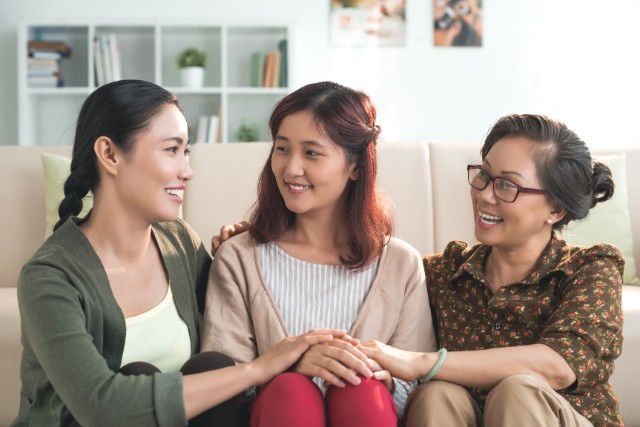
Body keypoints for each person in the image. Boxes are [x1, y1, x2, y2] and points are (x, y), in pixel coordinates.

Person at [12, 79, 348, 427]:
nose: (187, 171)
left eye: (185, 152)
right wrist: (259, 369)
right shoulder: (49, 276)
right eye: (172, 150)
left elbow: (237, 325)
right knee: (138, 375)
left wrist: (241, 256)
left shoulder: (180, 243)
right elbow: (102, 407)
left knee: (212, 367)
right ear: (110, 154)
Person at [359, 114, 624, 426]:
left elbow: (558, 365)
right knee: (436, 394)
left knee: (517, 390)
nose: (484, 195)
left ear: (555, 209)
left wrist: (420, 363)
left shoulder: (590, 270)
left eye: (507, 185)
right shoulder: (443, 273)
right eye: (484, 176)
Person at [201, 81, 435, 426]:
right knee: (291, 391)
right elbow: (223, 387)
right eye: (282, 149)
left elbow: (414, 385)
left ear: (355, 166)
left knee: (362, 388)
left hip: (368, 412)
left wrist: (381, 378)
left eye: (312, 153)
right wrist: (290, 363)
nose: (291, 168)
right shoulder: (238, 257)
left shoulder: (401, 264)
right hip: (278, 412)